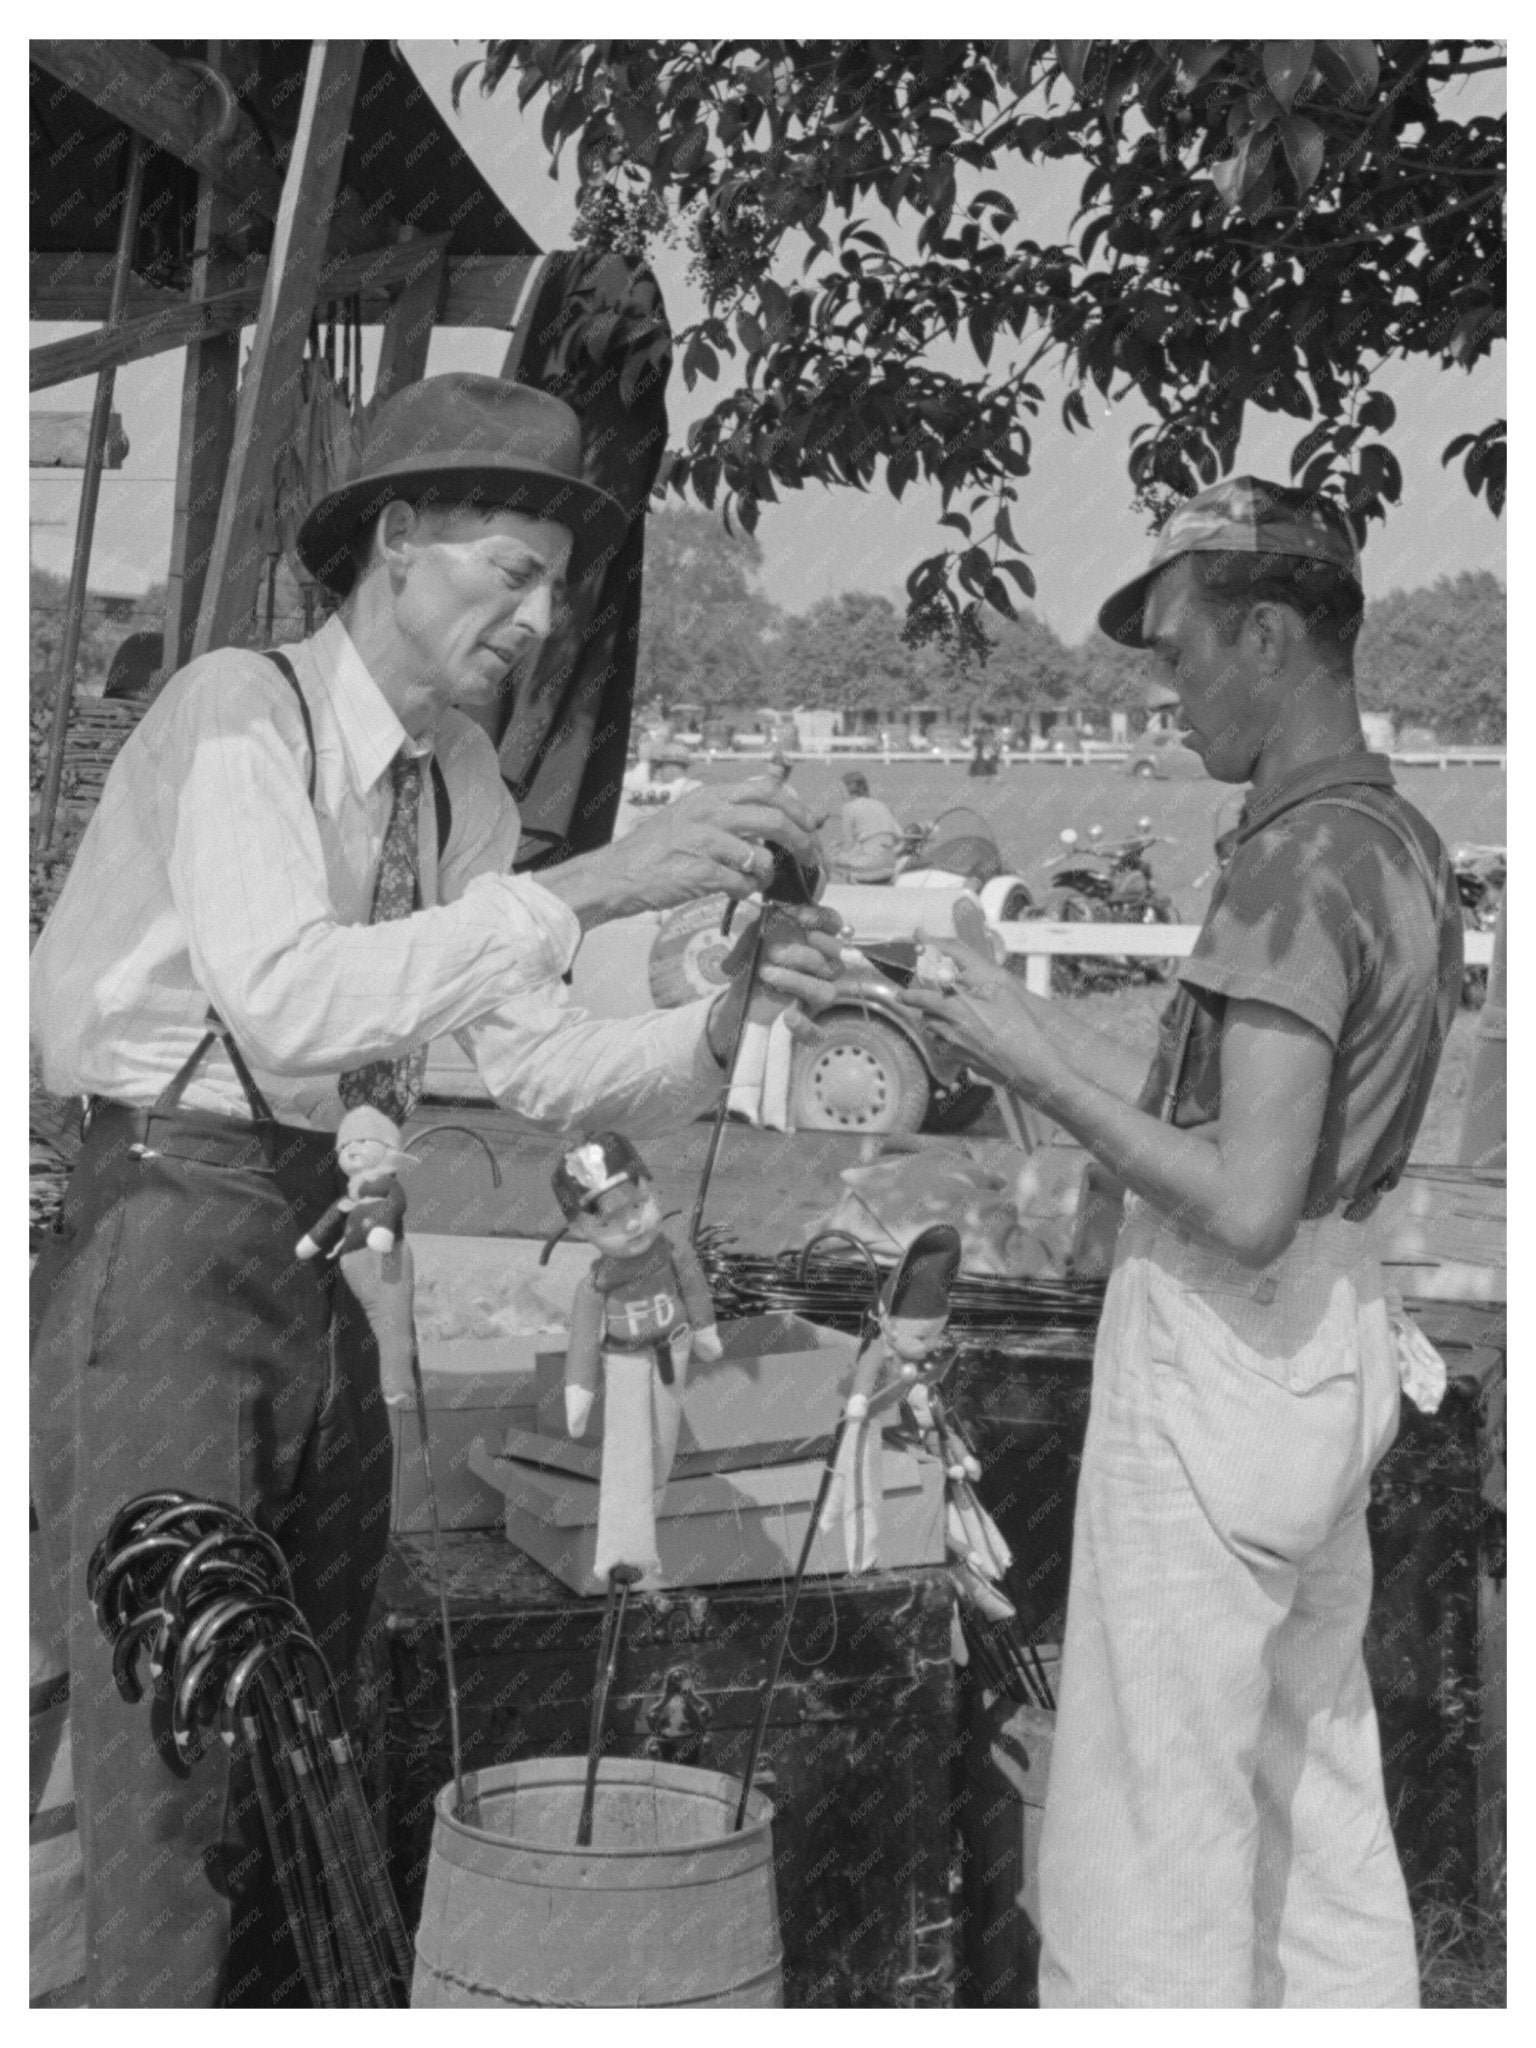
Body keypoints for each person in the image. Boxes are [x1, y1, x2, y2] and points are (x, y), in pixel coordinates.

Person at [29, 372, 841, 2008]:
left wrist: (726, 1019)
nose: (538, 622)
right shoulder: (238, 714)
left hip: (320, 1256)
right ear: (397, 539)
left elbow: (537, 1062)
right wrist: (596, 883)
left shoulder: (459, 774)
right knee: (171, 1745)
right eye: (511, 573)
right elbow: (289, 999)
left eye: (557, 590)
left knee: (304, 1722)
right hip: (165, 1238)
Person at [904, 476, 1463, 2008]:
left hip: (1227, 1343)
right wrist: (1007, 1014)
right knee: (1309, 1816)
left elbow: (1242, 1196)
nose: (1168, 692)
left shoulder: (1297, 863)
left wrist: (1027, 1069)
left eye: (1180, 653)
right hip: (1328, 1342)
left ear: (1268, 636)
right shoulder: (1392, 837)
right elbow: (1238, 1122)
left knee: (1149, 1845)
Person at [825, 769, 904, 883]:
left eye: (841, 789)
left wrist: (837, 853)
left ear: (850, 789)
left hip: (870, 863)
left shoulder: (848, 808)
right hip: (890, 862)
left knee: (830, 861)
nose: (840, 793)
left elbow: (849, 844)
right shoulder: (880, 805)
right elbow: (900, 836)